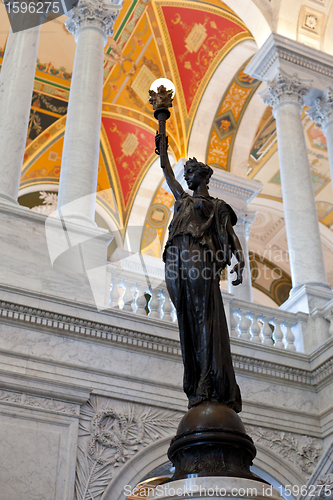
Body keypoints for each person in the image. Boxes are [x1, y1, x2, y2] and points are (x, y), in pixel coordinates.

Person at [155, 135, 245, 412]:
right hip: (176, 257)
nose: (185, 177)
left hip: (198, 256)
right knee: (187, 318)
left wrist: (239, 260)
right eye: (185, 174)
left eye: (190, 173)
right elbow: (168, 174)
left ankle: (208, 380)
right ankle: (195, 379)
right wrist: (162, 150)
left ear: (202, 176)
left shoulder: (216, 206)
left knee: (202, 314)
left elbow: (230, 236)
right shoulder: (182, 199)